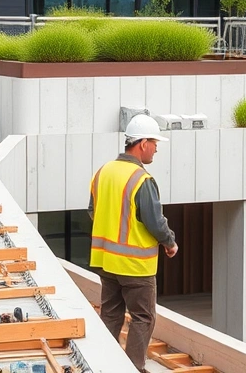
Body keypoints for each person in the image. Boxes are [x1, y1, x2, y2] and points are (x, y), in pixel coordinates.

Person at [88, 114, 178, 372]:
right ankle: (132, 368)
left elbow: (93, 211)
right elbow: (155, 221)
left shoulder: (103, 172)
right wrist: (170, 242)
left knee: (111, 315)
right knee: (143, 317)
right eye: (154, 142)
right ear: (142, 144)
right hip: (136, 266)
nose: (157, 148)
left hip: (106, 262)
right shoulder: (142, 179)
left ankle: (104, 365)